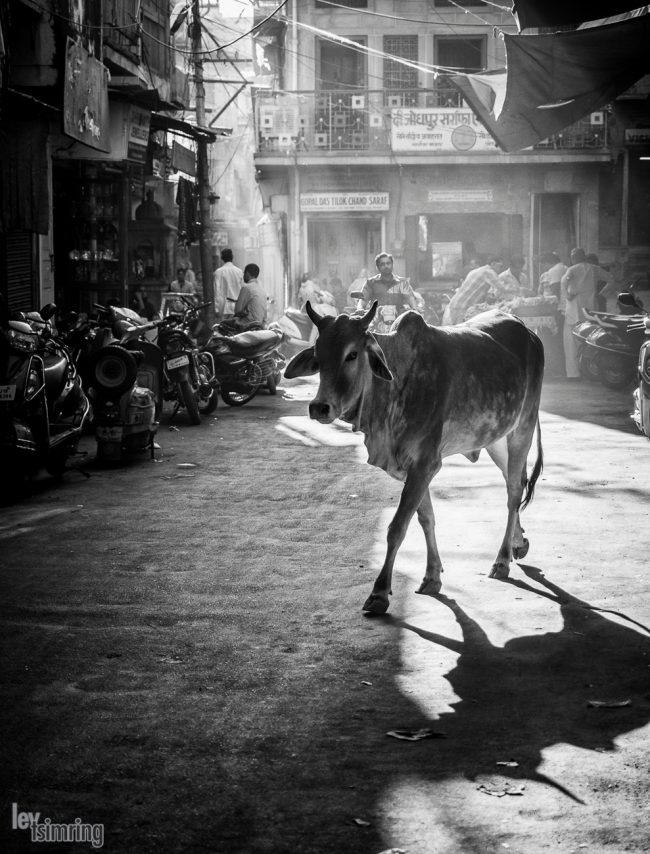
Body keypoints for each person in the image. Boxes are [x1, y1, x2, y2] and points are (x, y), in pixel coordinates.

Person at [560, 248, 597, 378]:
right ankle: (590, 373)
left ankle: (573, 374)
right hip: (590, 310)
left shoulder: (571, 270)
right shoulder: (594, 268)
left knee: (570, 344)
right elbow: (611, 279)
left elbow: (563, 283)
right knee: (588, 341)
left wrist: (568, 295)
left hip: (574, 310)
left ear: (573, 258)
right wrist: (602, 294)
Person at [445, 256, 504, 325]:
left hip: (457, 304)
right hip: (463, 306)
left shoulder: (477, 270)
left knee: (459, 330)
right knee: (462, 331)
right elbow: (503, 289)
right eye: (500, 266)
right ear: (493, 264)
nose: (500, 269)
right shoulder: (489, 272)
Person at [213, 248, 243, 320]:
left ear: (222, 258)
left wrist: (216, 309)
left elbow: (217, 292)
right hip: (237, 306)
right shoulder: (239, 272)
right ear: (232, 257)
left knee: (224, 328)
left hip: (224, 307)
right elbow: (243, 289)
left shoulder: (218, 272)